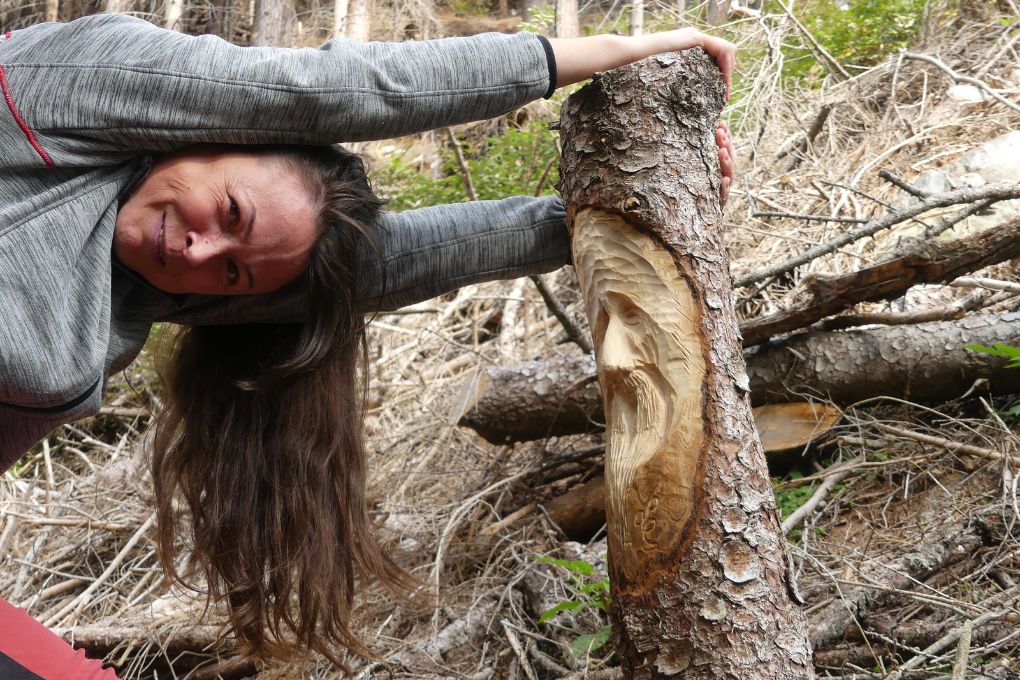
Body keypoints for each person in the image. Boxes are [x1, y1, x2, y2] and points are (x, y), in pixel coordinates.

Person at [0, 11, 736, 673]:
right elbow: (321, 91)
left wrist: (636, 198)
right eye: (228, 209)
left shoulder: (152, 281)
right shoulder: (59, 101)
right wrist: (607, 51)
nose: (199, 251)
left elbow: (401, 264)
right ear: (215, 134)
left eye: (232, 270)